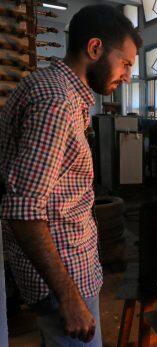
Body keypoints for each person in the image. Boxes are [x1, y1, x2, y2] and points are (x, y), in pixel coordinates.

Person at [0, 5, 142, 346]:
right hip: (65, 278)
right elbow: (23, 210)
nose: (127, 76)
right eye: (125, 63)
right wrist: (69, 297)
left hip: (60, 270)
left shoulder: (45, 85)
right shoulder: (57, 103)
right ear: (94, 49)